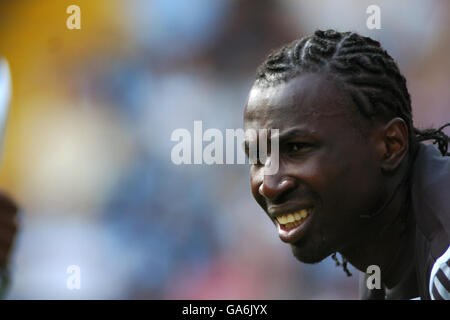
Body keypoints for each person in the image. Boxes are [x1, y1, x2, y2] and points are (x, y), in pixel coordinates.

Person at [243, 29, 449, 300]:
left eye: (297, 148)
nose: (268, 186)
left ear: (390, 146)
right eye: (258, 157)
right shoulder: (387, 256)